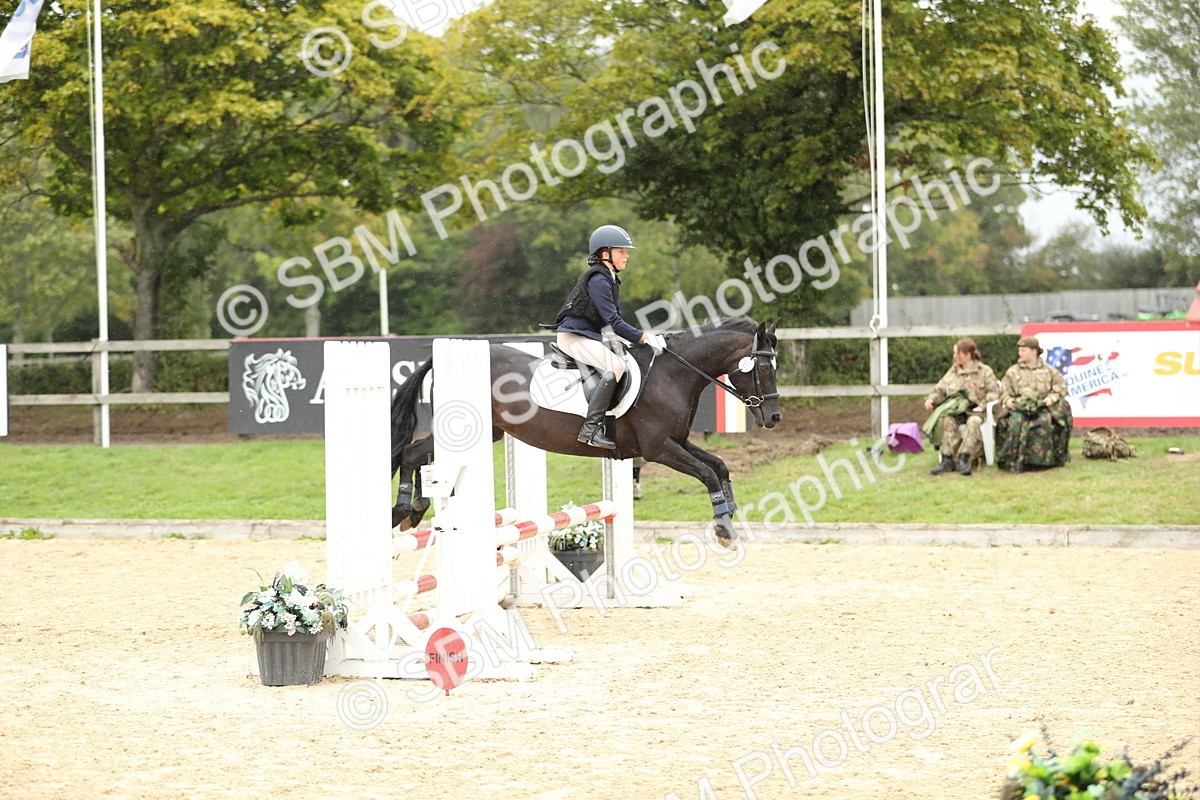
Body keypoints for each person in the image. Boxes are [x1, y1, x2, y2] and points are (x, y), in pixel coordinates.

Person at [554, 225, 667, 449]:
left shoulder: (609, 278)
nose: (627, 255)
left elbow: (615, 321)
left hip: (587, 335)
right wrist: (643, 337)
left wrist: (634, 339)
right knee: (615, 366)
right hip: (572, 337)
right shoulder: (598, 279)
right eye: (621, 251)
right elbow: (614, 323)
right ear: (605, 253)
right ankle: (590, 429)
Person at [922, 339, 1000, 476]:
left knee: (973, 422)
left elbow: (994, 392)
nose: (953, 356)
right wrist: (931, 400)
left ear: (967, 354)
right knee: (946, 420)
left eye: (956, 353)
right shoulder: (952, 372)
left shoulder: (985, 371)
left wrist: (982, 406)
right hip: (957, 410)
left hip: (976, 410)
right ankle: (946, 459)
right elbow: (939, 390)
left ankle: (964, 458)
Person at [996, 335, 1073, 472]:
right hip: (1019, 407)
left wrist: (1052, 398)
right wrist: (1007, 400)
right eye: (1019, 350)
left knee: (1044, 422)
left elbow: (1060, 388)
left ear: (1034, 351)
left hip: (1042, 407)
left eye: (1023, 350)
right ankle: (1014, 460)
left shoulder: (1049, 371)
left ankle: (1042, 462)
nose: (1020, 353)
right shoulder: (1013, 371)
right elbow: (1004, 390)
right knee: (1016, 422)